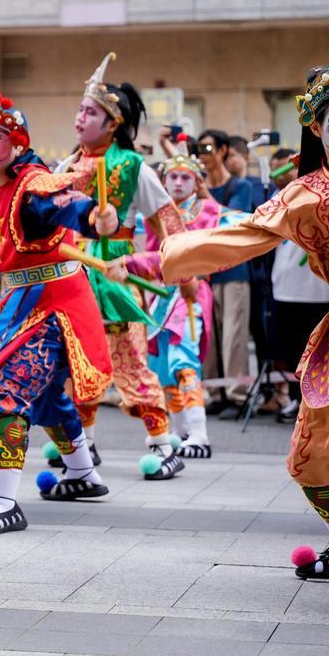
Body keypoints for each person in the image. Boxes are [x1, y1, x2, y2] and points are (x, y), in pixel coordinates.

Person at [158, 39, 329, 636]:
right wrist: (168, 256)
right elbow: (244, 235)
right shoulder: (302, 193)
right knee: (309, 461)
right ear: (316, 126)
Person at [0, 81, 117, 531]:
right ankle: (83, 474)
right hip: (17, 301)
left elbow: (68, 205)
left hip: (56, 307)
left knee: (10, 387)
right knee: (43, 398)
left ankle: (2, 504)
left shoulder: (34, 188)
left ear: (17, 142)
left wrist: (94, 218)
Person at [55, 53, 186, 480]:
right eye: (79, 109)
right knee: (77, 361)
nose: (80, 118)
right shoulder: (64, 168)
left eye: (90, 112)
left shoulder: (133, 168)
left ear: (112, 123)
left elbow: (170, 225)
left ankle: (162, 444)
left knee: (129, 359)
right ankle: (83, 444)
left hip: (116, 278)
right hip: (73, 277)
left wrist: (145, 264)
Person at [122, 154, 246, 458]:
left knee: (184, 361)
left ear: (197, 182)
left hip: (189, 293)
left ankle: (200, 433)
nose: (177, 183)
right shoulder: (152, 213)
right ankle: (178, 432)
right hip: (157, 294)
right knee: (162, 367)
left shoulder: (211, 211)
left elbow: (246, 226)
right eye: (172, 177)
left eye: (185, 177)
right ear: (162, 181)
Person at [266, 147, 329, 424]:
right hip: (287, 285)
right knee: (294, 349)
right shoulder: (283, 196)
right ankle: (297, 398)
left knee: (323, 349)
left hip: (323, 288)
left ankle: (323, 402)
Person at [196, 129, 255, 412]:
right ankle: (215, 394)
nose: (202, 156)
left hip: (234, 271)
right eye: (199, 150)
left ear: (222, 151)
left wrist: (205, 195)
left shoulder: (240, 187)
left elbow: (235, 223)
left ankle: (237, 395)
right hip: (205, 271)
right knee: (208, 334)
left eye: (208, 149)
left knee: (233, 336)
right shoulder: (197, 186)